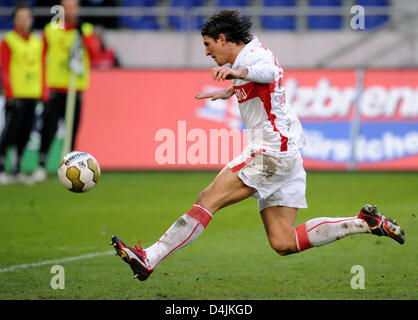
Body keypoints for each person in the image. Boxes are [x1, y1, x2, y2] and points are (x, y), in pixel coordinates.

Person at [110, 10, 405, 281]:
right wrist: (229, 90)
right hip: (285, 154)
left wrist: (238, 75)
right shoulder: (251, 55)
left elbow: (267, 74)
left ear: (223, 39)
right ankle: (365, 223)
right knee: (284, 242)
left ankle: (149, 257)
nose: (206, 51)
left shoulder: (253, 59)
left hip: (269, 154)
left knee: (206, 200)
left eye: (208, 44)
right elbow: (263, 82)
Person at [31, 0, 100, 182]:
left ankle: (70, 169)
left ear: (78, 9)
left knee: (72, 129)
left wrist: (83, 37)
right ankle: (41, 165)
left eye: (73, 6)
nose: (70, 10)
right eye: (66, 6)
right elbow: (40, 57)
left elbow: (95, 54)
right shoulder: (51, 30)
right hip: (55, 87)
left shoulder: (85, 30)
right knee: (49, 128)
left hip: (75, 89)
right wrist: (43, 87)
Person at [0, 2, 48, 185]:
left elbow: (41, 67)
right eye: (19, 18)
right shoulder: (8, 41)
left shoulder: (37, 43)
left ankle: (17, 169)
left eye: (26, 17)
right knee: (10, 133)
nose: (23, 21)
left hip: (32, 94)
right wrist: (10, 92)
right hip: (16, 95)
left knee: (25, 134)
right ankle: (2, 168)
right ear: (14, 20)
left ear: (31, 19)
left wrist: (43, 90)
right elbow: (4, 69)